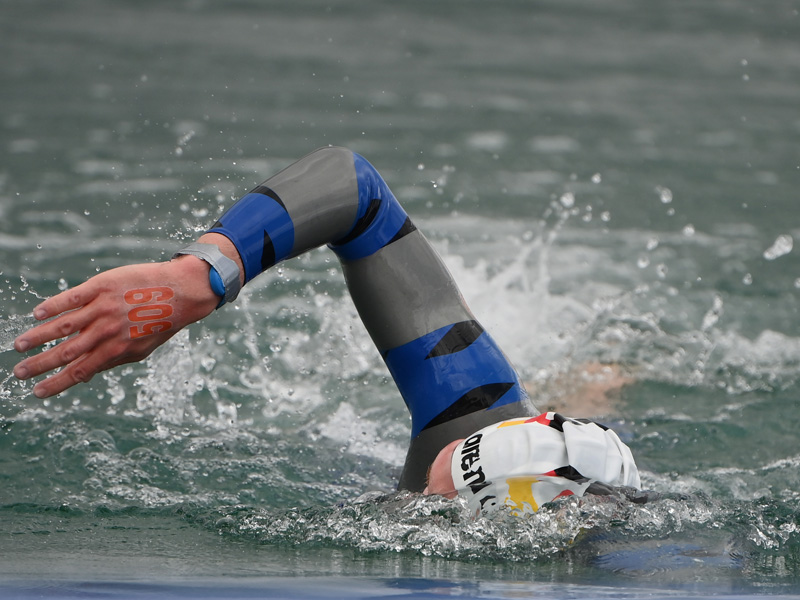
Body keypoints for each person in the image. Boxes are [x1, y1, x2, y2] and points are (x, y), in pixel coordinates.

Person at [13, 147, 639, 516]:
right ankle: (596, 388)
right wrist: (203, 275)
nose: (421, 487)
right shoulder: (477, 416)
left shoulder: (452, 512)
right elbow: (352, 185)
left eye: (434, 492)